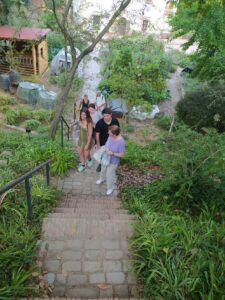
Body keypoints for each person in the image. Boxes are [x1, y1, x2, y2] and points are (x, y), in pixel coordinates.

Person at [96, 125, 125, 195]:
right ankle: (101, 179)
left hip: (113, 161)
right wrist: (107, 149)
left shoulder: (121, 142)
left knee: (109, 175)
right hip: (106, 157)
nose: (108, 133)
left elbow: (122, 155)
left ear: (114, 134)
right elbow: (107, 144)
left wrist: (113, 153)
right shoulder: (110, 136)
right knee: (103, 169)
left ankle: (110, 188)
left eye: (110, 133)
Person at [95, 107, 120, 172]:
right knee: (102, 154)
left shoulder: (115, 121)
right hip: (102, 141)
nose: (106, 117)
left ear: (111, 114)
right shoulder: (99, 123)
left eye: (107, 115)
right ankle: (100, 164)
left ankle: (111, 165)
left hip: (112, 142)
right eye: (104, 116)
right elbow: (97, 134)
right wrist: (98, 144)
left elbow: (117, 132)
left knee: (111, 154)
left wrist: (118, 142)